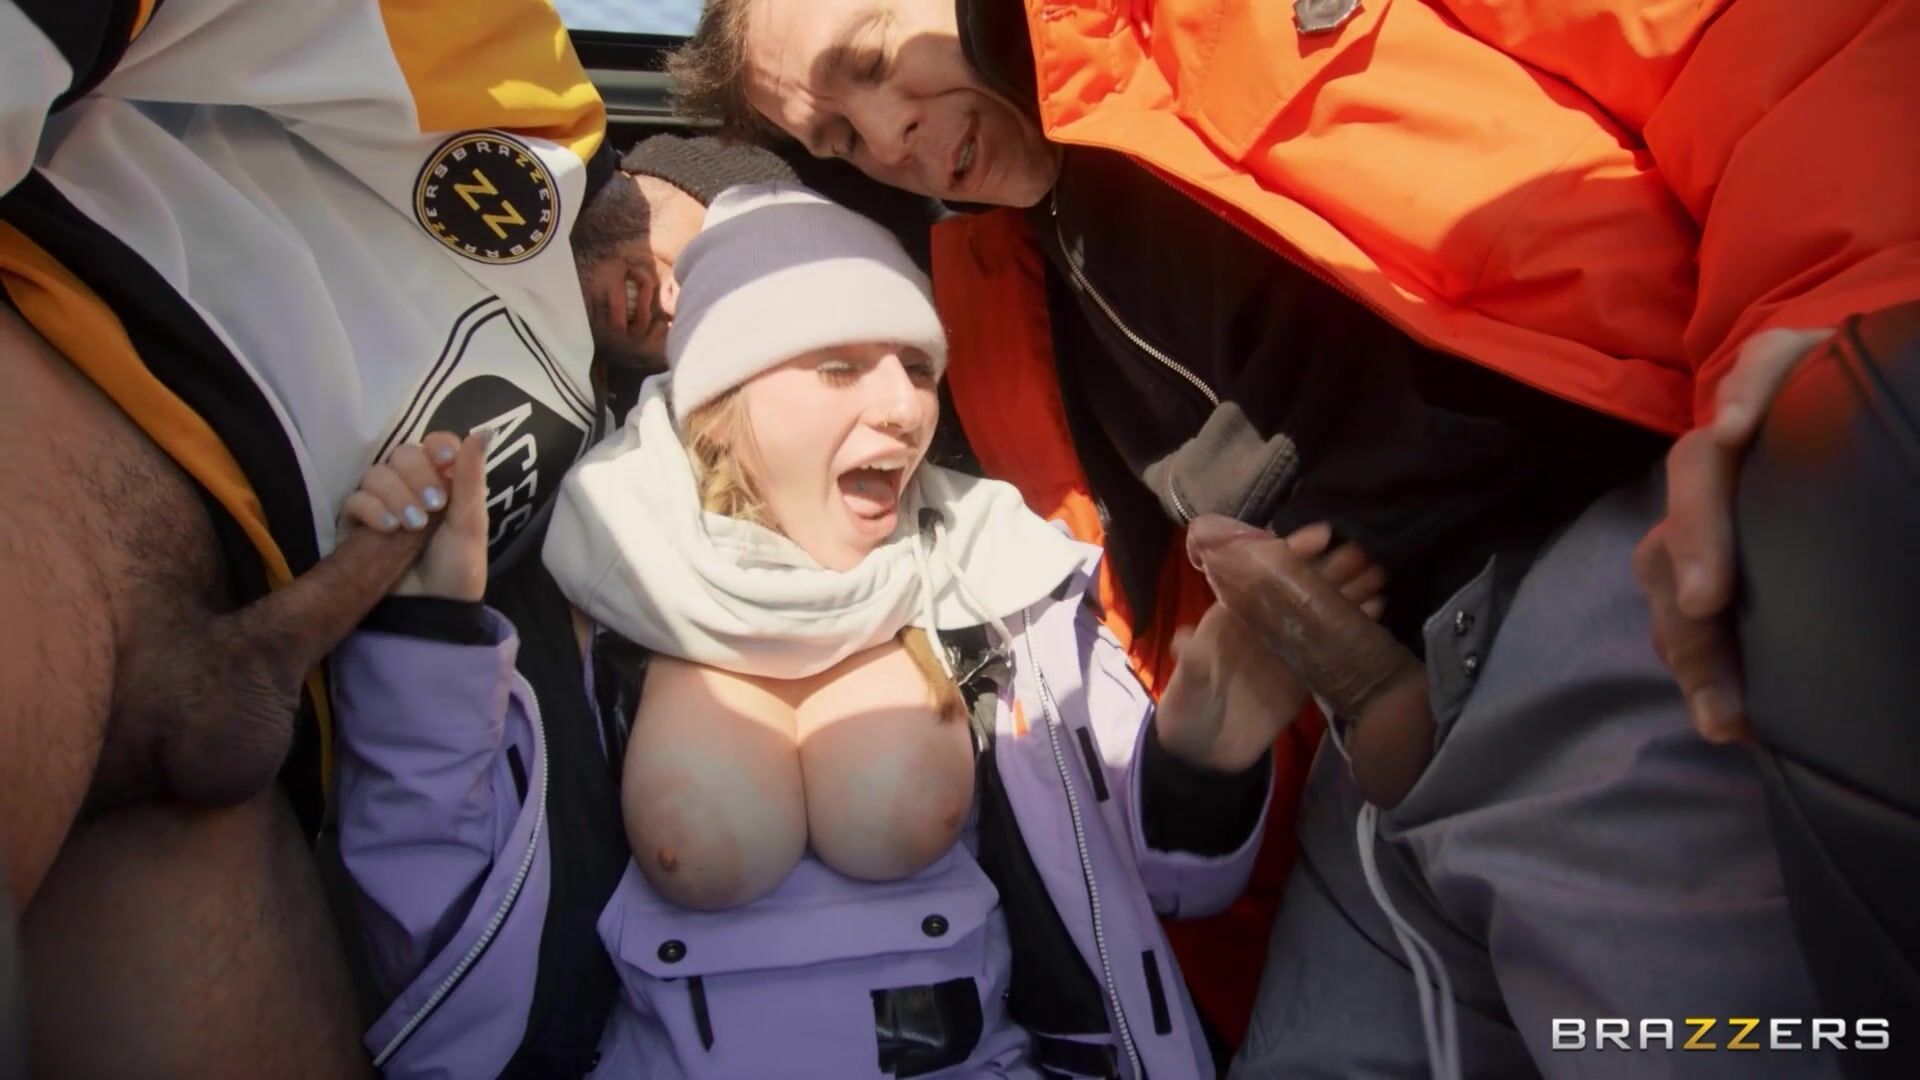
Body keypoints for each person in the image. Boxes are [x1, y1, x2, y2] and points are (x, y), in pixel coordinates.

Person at [665, 0, 1920, 1074]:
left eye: (876, 60)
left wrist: (1834, 339)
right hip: (1362, 768)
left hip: (1612, 556)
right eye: (839, 137)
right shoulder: (995, 321)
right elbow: (1150, 655)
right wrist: (1209, 764)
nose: (887, 136)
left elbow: (1755, 41)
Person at [328, 181, 1392, 1079]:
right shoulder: (582, 592)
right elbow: (427, 931)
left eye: (918, 366)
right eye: (839, 366)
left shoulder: (996, 578)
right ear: (719, 405)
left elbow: (1174, 885)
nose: (905, 406)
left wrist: (1201, 757)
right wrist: (426, 640)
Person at [0, 0, 787, 1068]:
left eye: (738, 305)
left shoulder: (624, 454)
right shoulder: (528, 106)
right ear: (670, 176)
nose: (690, 302)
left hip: (254, 736)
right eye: (722, 243)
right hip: (93, 450)